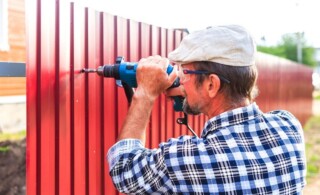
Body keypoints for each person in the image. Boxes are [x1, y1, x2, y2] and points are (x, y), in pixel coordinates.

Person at [107, 25, 306, 194]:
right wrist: (192, 90)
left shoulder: (186, 159)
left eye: (185, 72)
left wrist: (146, 93)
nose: (180, 79)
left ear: (211, 84)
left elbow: (124, 170)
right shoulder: (288, 126)